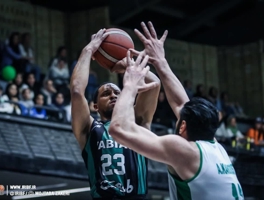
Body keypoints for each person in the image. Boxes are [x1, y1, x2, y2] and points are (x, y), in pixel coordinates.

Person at [109, 22, 244, 200]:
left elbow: (118, 129)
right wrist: (160, 61)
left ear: (183, 126)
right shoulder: (216, 148)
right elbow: (182, 104)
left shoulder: (184, 151)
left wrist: (130, 85)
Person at [70, 29, 160, 199]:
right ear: (95, 106)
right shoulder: (89, 128)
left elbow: (154, 84)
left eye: (118, 93)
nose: (113, 95)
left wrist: (129, 65)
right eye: (106, 93)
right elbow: (76, 91)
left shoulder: (137, 124)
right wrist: (88, 50)